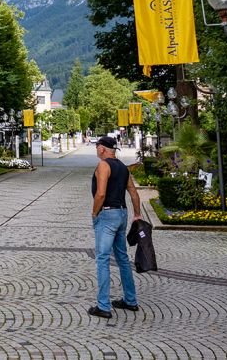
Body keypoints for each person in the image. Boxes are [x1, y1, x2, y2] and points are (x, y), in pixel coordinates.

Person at [88, 135, 142, 319]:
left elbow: (101, 194)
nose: (96, 150)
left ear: (102, 148)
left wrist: (95, 213)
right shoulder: (123, 168)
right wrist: (137, 214)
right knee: (122, 258)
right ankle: (130, 300)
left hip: (107, 214)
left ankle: (103, 306)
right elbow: (133, 192)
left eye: (97, 147)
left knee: (102, 258)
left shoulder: (104, 165)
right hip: (122, 214)